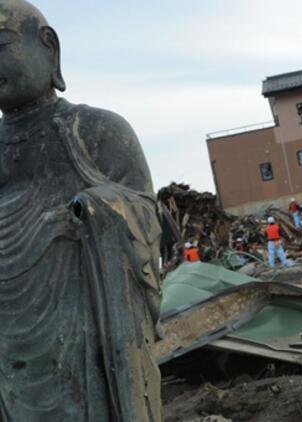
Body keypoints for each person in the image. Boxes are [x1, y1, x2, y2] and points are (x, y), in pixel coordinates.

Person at [0, 1, 162, 419]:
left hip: (87, 346)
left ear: (49, 48)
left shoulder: (98, 130)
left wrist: (88, 212)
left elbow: (145, 217)